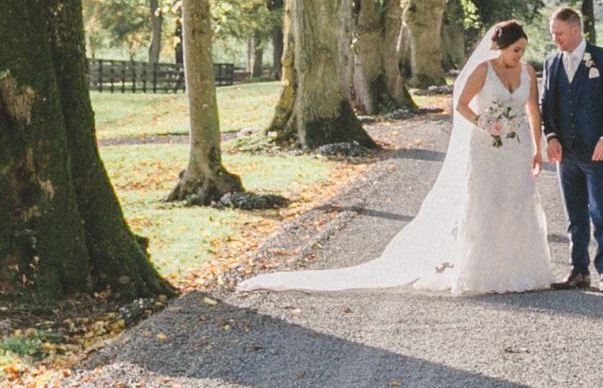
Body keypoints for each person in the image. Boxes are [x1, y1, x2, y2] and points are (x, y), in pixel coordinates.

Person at [237, 20, 556, 297]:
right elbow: (460, 104)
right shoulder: (483, 70)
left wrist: (536, 148)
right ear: (500, 47)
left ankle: (520, 271)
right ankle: (486, 272)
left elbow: (532, 110)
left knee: (516, 202)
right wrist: (482, 122)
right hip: (485, 147)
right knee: (487, 203)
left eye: (523, 50)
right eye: (516, 49)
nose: (520, 56)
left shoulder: (527, 71)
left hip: (514, 148)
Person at [540, 5, 603, 291]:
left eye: (560, 33)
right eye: (553, 34)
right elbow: (546, 106)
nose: (556, 39)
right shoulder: (551, 63)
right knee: (574, 213)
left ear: (575, 30)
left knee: (601, 210)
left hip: (598, 150)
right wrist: (551, 137)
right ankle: (578, 270)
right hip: (567, 153)